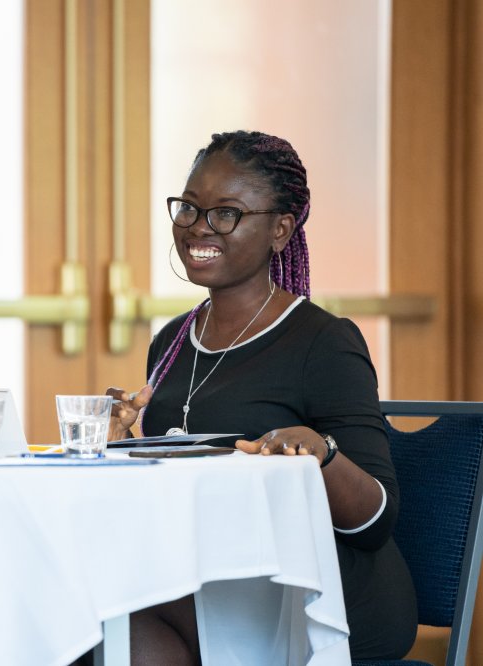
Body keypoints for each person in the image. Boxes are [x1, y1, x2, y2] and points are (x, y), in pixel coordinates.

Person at [106, 131, 417, 663]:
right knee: (107, 615)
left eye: (226, 213)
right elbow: (181, 494)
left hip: (321, 595)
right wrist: (123, 447)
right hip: (216, 575)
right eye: (189, 208)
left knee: (117, 611)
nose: (199, 228)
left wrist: (321, 453)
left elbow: (376, 519)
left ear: (279, 229)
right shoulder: (172, 340)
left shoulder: (323, 342)